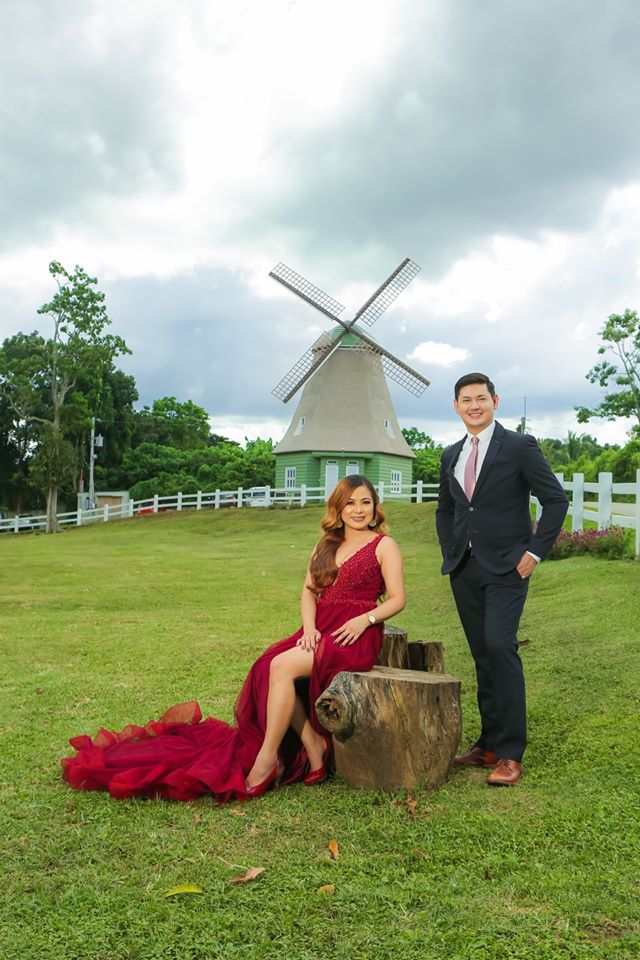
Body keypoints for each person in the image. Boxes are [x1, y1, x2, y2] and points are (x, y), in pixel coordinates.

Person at [62, 475, 405, 801]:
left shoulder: (383, 545)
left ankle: (267, 758)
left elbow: (397, 599)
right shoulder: (327, 543)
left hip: (353, 634)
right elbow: (308, 591)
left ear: (376, 506)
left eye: (365, 502)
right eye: (350, 503)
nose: (358, 510)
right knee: (266, 665)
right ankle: (313, 744)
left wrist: (367, 618)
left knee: (282, 668)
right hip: (320, 627)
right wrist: (310, 628)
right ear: (338, 508)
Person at [436, 374, 568, 786]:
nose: (474, 406)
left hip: (509, 567)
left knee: (500, 646)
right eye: (465, 400)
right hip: (465, 569)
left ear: (494, 401)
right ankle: (488, 744)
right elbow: (446, 510)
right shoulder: (450, 454)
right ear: (456, 406)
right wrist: (450, 550)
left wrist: (534, 552)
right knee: (481, 654)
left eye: (481, 398)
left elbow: (555, 500)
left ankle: (510, 753)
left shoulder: (519, 447)